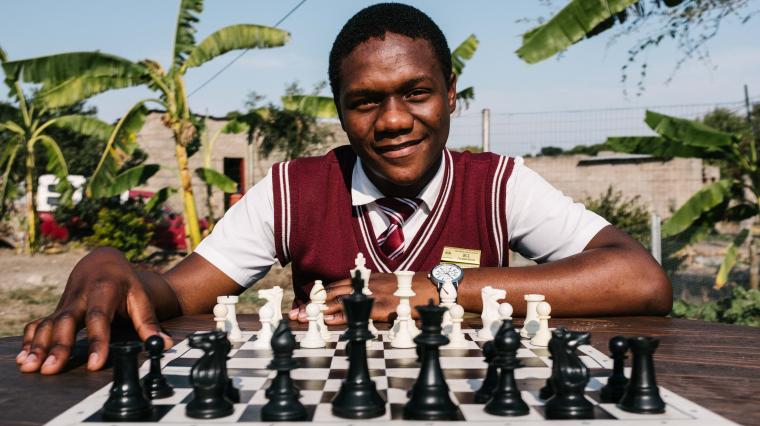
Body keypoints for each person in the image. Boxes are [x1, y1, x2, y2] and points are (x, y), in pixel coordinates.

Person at [16, 3, 671, 376]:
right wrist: (111, 264)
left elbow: (639, 279)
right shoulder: (292, 190)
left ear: (450, 94)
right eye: (365, 102)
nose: (391, 121)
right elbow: (176, 291)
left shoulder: (499, 184)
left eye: (416, 93)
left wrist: (430, 291)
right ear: (338, 107)